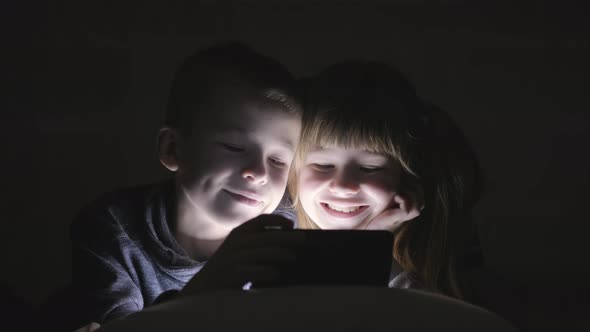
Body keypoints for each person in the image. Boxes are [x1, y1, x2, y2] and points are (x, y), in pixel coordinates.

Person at [39, 42, 304, 331]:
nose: (258, 172)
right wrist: (203, 292)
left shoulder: (293, 228)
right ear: (173, 149)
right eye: (234, 147)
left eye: (278, 160)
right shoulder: (115, 231)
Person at [287, 61, 483, 299]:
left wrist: (373, 246)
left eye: (369, 168)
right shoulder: (279, 241)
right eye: (324, 165)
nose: (342, 186)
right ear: (295, 170)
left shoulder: (432, 249)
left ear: (406, 176)